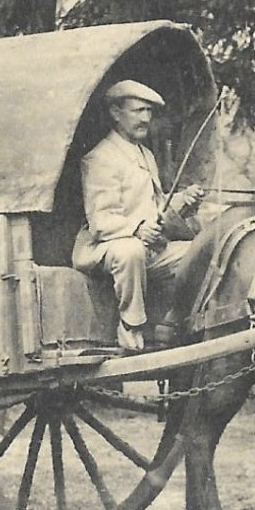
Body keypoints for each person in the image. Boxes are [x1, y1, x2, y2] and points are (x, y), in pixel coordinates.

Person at [71, 80, 207, 351]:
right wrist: (137, 228)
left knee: (198, 253)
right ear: (116, 113)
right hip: (107, 248)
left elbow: (156, 208)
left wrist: (181, 202)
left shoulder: (145, 155)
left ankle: (176, 324)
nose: (146, 118)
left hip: (151, 249)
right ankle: (131, 326)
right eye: (138, 111)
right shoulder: (100, 158)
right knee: (130, 251)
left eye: (149, 112)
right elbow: (101, 221)